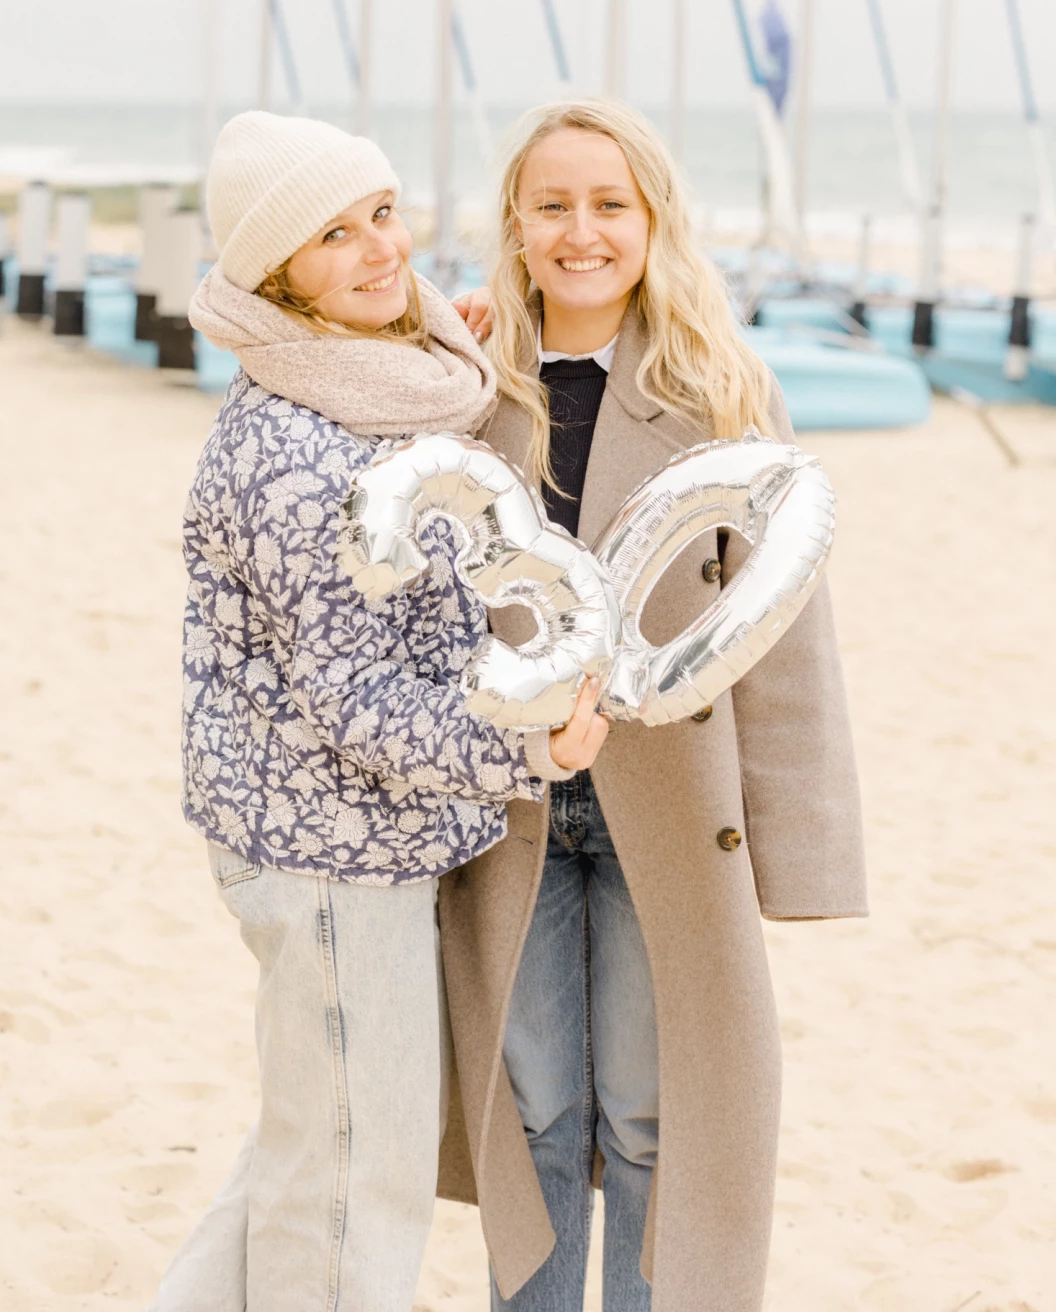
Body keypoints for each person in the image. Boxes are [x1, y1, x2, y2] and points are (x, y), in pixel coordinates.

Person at [147, 110, 605, 1312]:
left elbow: (416, 369)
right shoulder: (297, 450)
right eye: (331, 237)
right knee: (361, 1178)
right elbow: (358, 702)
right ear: (275, 277)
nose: (377, 252)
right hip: (329, 860)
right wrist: (526, 745)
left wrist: (456, 324)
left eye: (382, 214)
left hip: (324, 843)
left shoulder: (361, 380)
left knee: (306, 1148)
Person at [440, 97, 867, 1312]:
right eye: (553, 204)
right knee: (532, 1119)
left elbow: (788, 638)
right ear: (516, 226)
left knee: (645, 1118)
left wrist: (805, 852)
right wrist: (446, 329)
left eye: (609, 204)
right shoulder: (467, 388)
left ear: (653, 220)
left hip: (669, 820)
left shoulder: (725, 392)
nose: (583, 232)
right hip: (507, 815)